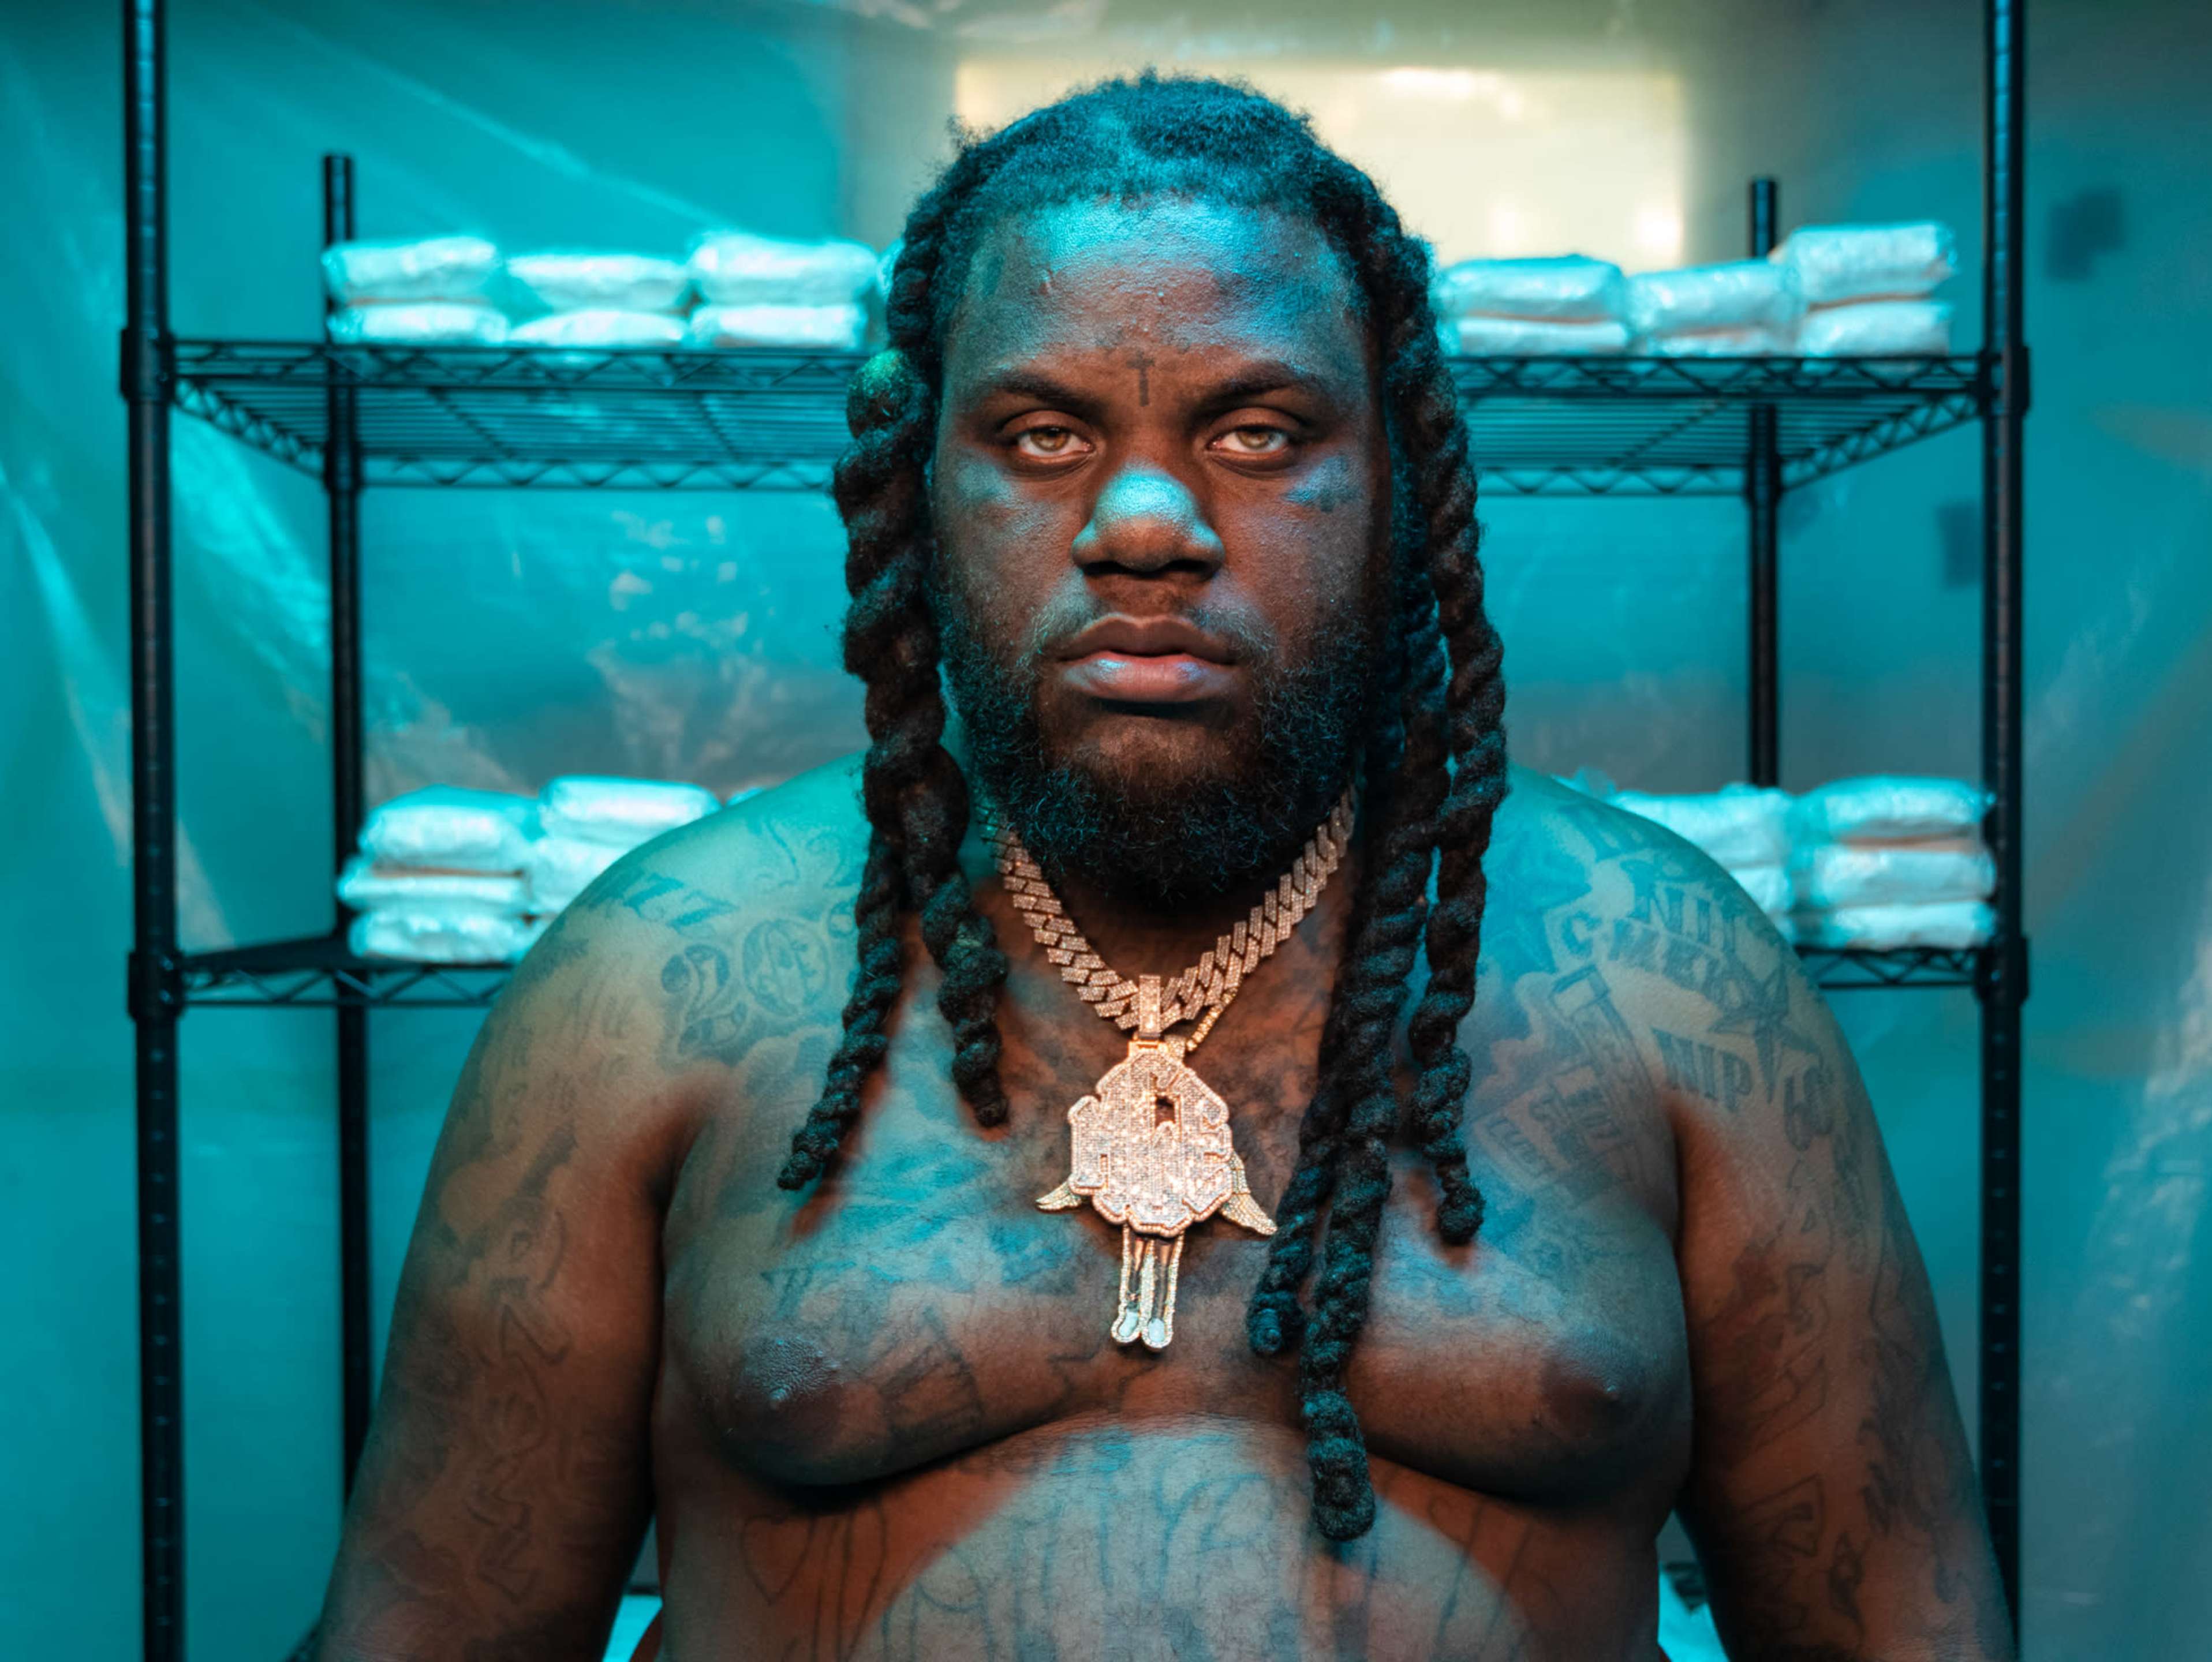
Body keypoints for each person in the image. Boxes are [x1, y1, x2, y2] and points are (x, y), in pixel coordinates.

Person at [309, 74, 2012, 1662]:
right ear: (921, 483)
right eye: (1042, 434)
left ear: (1397, 480)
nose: (1145, 524)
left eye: (1258, 433)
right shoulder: (644, 985)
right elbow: (431, 1631)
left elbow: (1901, 1633)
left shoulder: (1674, 980)